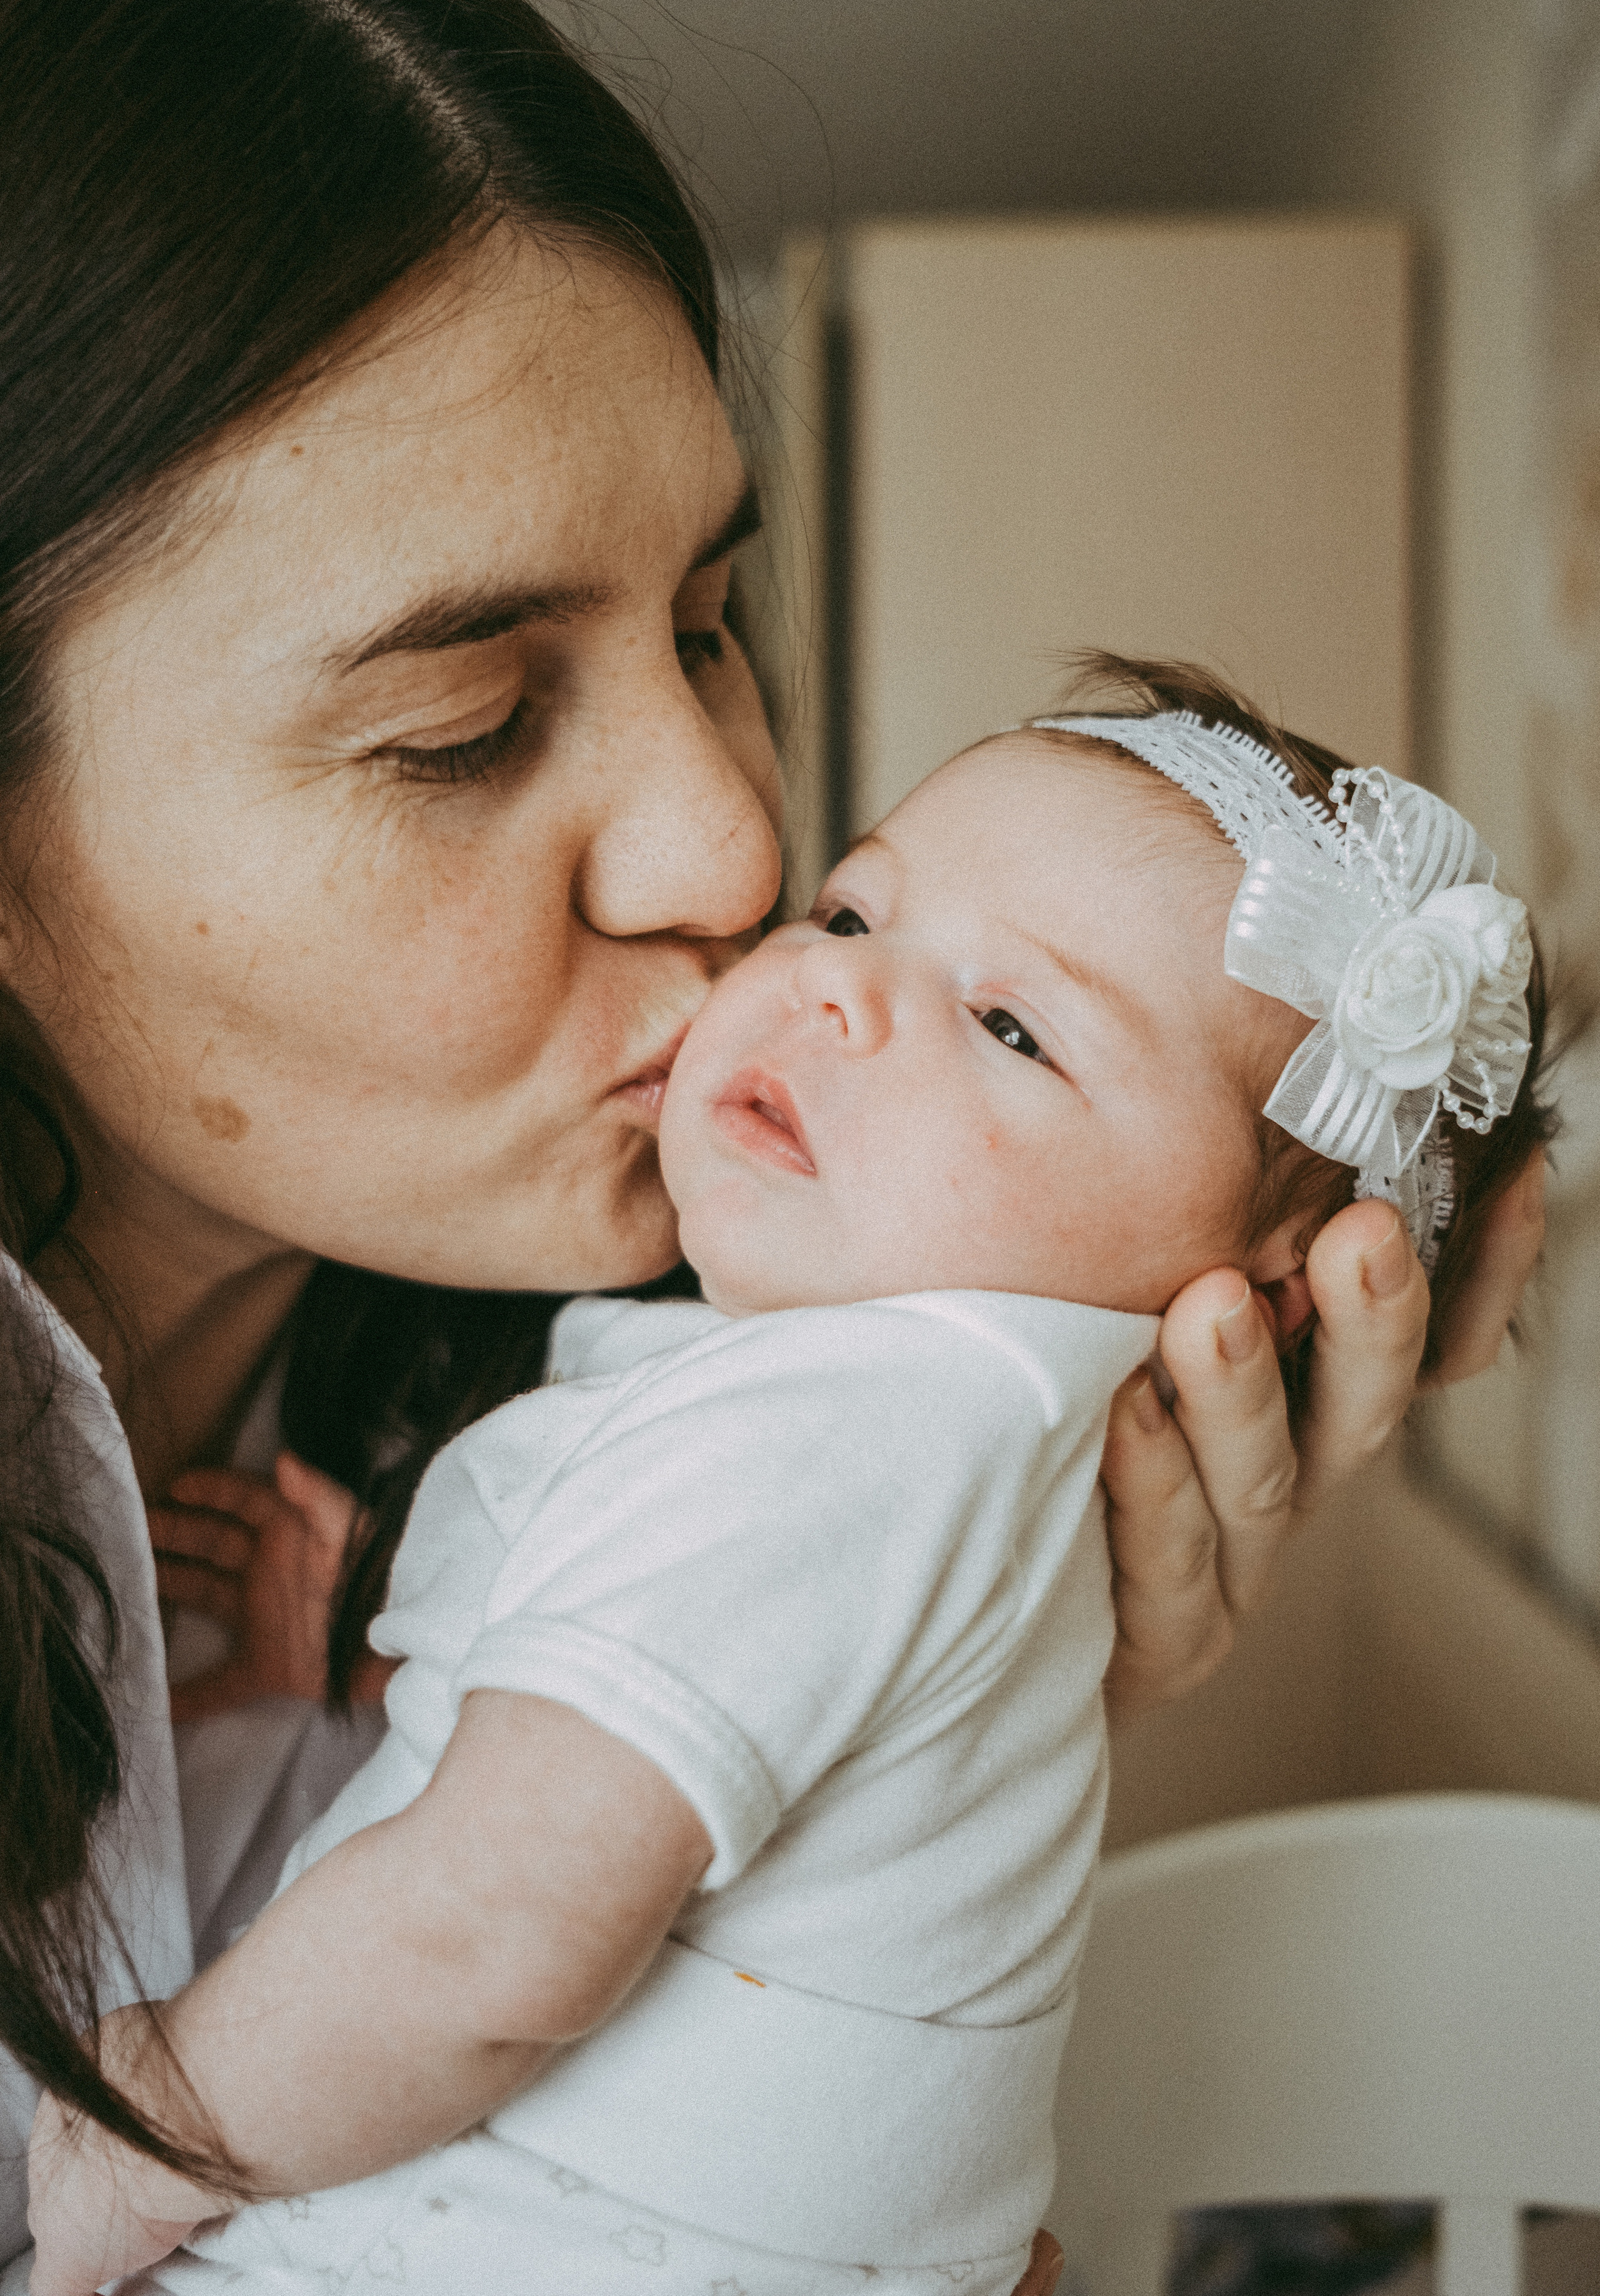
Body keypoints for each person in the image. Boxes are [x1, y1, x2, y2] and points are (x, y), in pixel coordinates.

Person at [0, 0, 1542, 2285]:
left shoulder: (675, 1375)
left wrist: (964, 1770)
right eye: (465, 728)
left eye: (713, 625)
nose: (743, 843)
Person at [26, 666, 1549, 2295]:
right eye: (847, 913)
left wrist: (159, 2111)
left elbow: (493, 1928)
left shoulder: (856, 1413)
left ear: (1263, 1290)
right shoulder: (924, 1431)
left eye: (1013, 1025)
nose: (840, 991)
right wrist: (366, 1686)